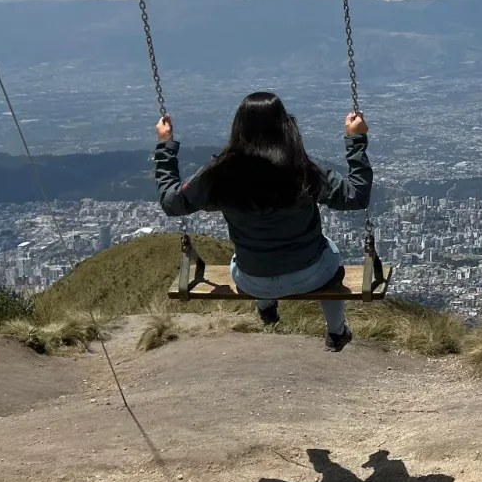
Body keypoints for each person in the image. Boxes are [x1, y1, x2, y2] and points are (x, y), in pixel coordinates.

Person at [154, 92, 372, 349]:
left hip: (251, 278)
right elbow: (356, 195)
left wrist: (165, 145)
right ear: (285, 126)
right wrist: (355, 140)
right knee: (331, 251)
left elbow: (171, 202)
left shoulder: (220, 173)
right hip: (310, 275)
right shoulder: (301, 168)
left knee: (242, 257)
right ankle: (336, 332)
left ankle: (266, 305)